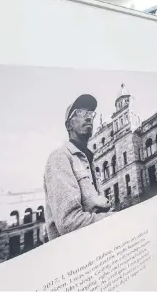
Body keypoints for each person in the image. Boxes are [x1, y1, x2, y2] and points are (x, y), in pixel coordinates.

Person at [43, 94, 113, 240]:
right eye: (80, 113)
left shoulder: (89, 159)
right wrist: (114, 219)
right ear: (68, 125)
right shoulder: (59, 158)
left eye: (90, 114)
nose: (88, 117)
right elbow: (69, 223)